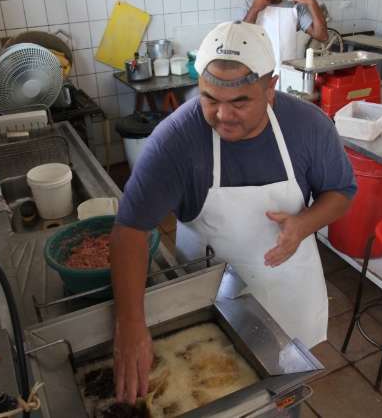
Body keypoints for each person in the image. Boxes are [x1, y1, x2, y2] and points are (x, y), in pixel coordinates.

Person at [109, 21, 356, 404]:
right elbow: (129, 228)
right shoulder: (176, 142)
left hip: (288, 286)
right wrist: (129, 323)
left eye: (240, 101)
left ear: (271, 88)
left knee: (283, 396)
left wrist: (305, 223)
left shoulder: (310, 128)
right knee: (213, 396)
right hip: (208, 292)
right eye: (209, 98)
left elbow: (341, 191)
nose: (223, 115)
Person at [244, 0, 328, 72]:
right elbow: (243, 39)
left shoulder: (295, 7)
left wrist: (312, 3)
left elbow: (322, 36)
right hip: (260, 74)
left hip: (287, 72)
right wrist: (254, 9)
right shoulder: (252, 4)